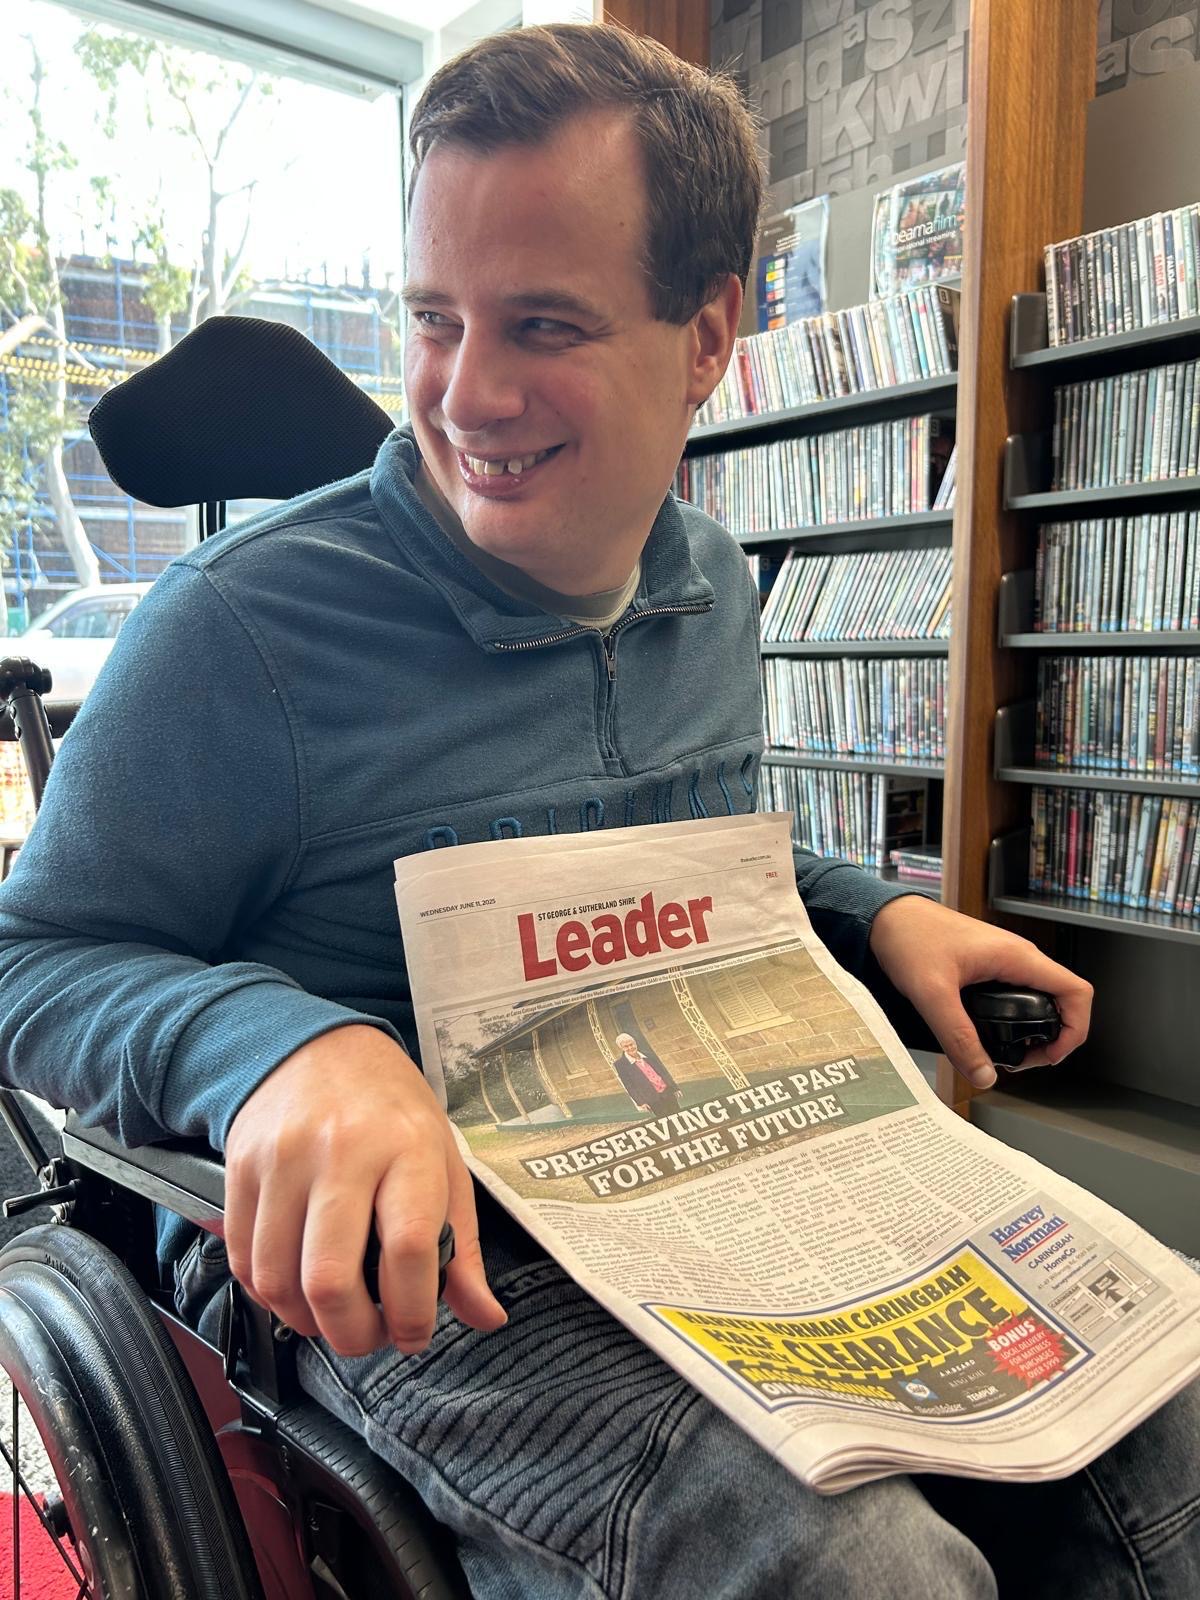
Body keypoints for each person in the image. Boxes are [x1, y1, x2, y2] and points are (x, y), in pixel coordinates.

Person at [0, 22, 1195, 1600]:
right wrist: (283, 1048)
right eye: (435, 320)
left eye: (542, 325)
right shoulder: (238, 631)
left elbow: (686, 869)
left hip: (700, 1169)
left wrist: (872, 914)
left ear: (707, 336)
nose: (466, 394)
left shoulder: (711, 584)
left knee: (1166, 1422)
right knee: (859, 1570)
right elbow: (35, 960)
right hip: (398, 1266)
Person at [611, 1030, 682, 1114]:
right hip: (652, 1098)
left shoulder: (648, 1054)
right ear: (621, 1048)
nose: (630, 1048)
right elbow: (629, 1086)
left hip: (667, 1091)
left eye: (631, 1044)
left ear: (635, 1043)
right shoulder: (620, 1064)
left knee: (678, 1115)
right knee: (664, 1119)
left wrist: (675, 1088)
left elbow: (663, 1072)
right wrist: (641, 1102)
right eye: (626, 1046)